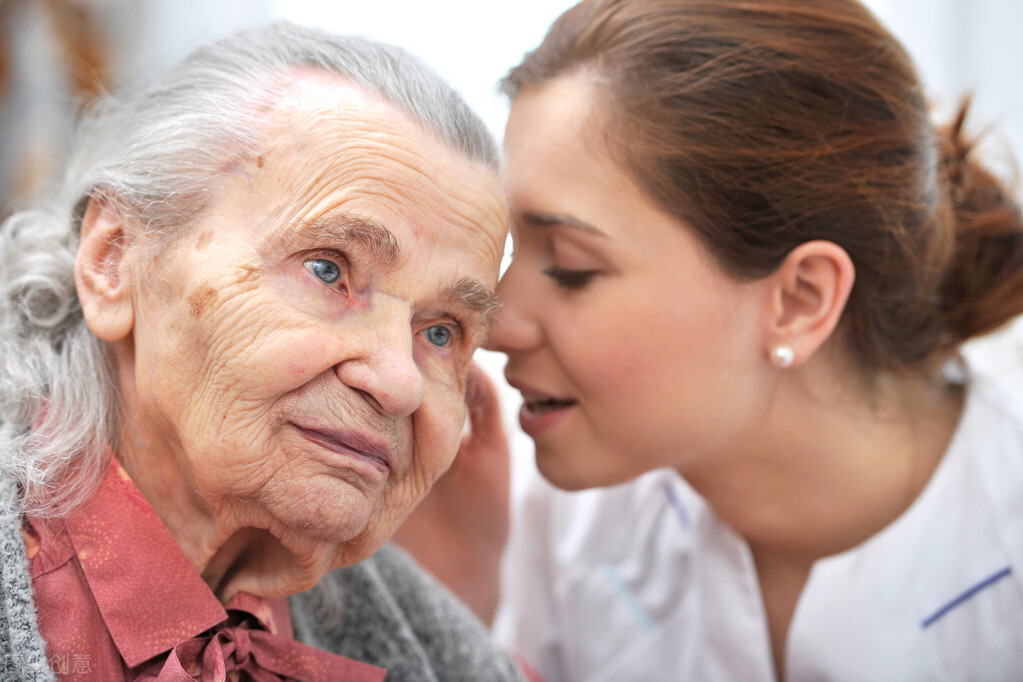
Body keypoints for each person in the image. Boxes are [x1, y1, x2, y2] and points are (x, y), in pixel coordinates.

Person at [473, 0, 1023, 679]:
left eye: (570, 268)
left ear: (799, 299)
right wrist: (455, 602)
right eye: (505, 249)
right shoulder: (565, 520)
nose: (493, 324)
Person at [0, 21, 526, 681]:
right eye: (328, 270)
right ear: (115, 260)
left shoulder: (446, 657)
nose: (398, 382)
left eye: (441, 331)